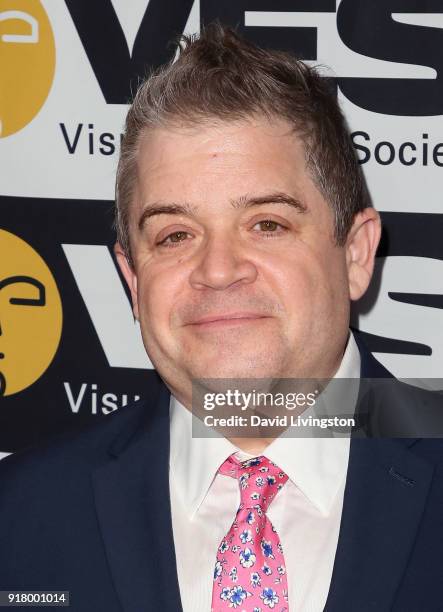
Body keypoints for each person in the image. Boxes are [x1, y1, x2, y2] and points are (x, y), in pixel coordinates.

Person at [1, 23, 442, 612]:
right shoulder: (20, 515)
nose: (217, 269)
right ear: (133, 278)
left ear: (356, 254)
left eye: (267, 224)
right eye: (175, 234)